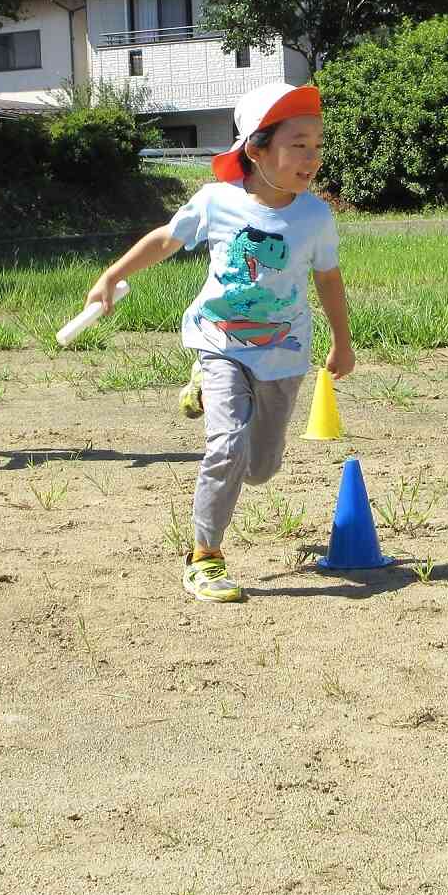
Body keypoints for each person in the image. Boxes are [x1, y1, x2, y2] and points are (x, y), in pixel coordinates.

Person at [82, 82, 353, 604]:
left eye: (317, 146)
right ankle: (205, 556)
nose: (312, 157)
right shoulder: (217, 202)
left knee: (260, 468)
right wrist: (113, 274)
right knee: (226, 447)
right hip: (220, 340)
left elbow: (329, 280)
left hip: (284, 352)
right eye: (299, 144)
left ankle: (205, 391)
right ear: (256, 149)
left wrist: (343, 343)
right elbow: (167, 238)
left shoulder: (315, 216)